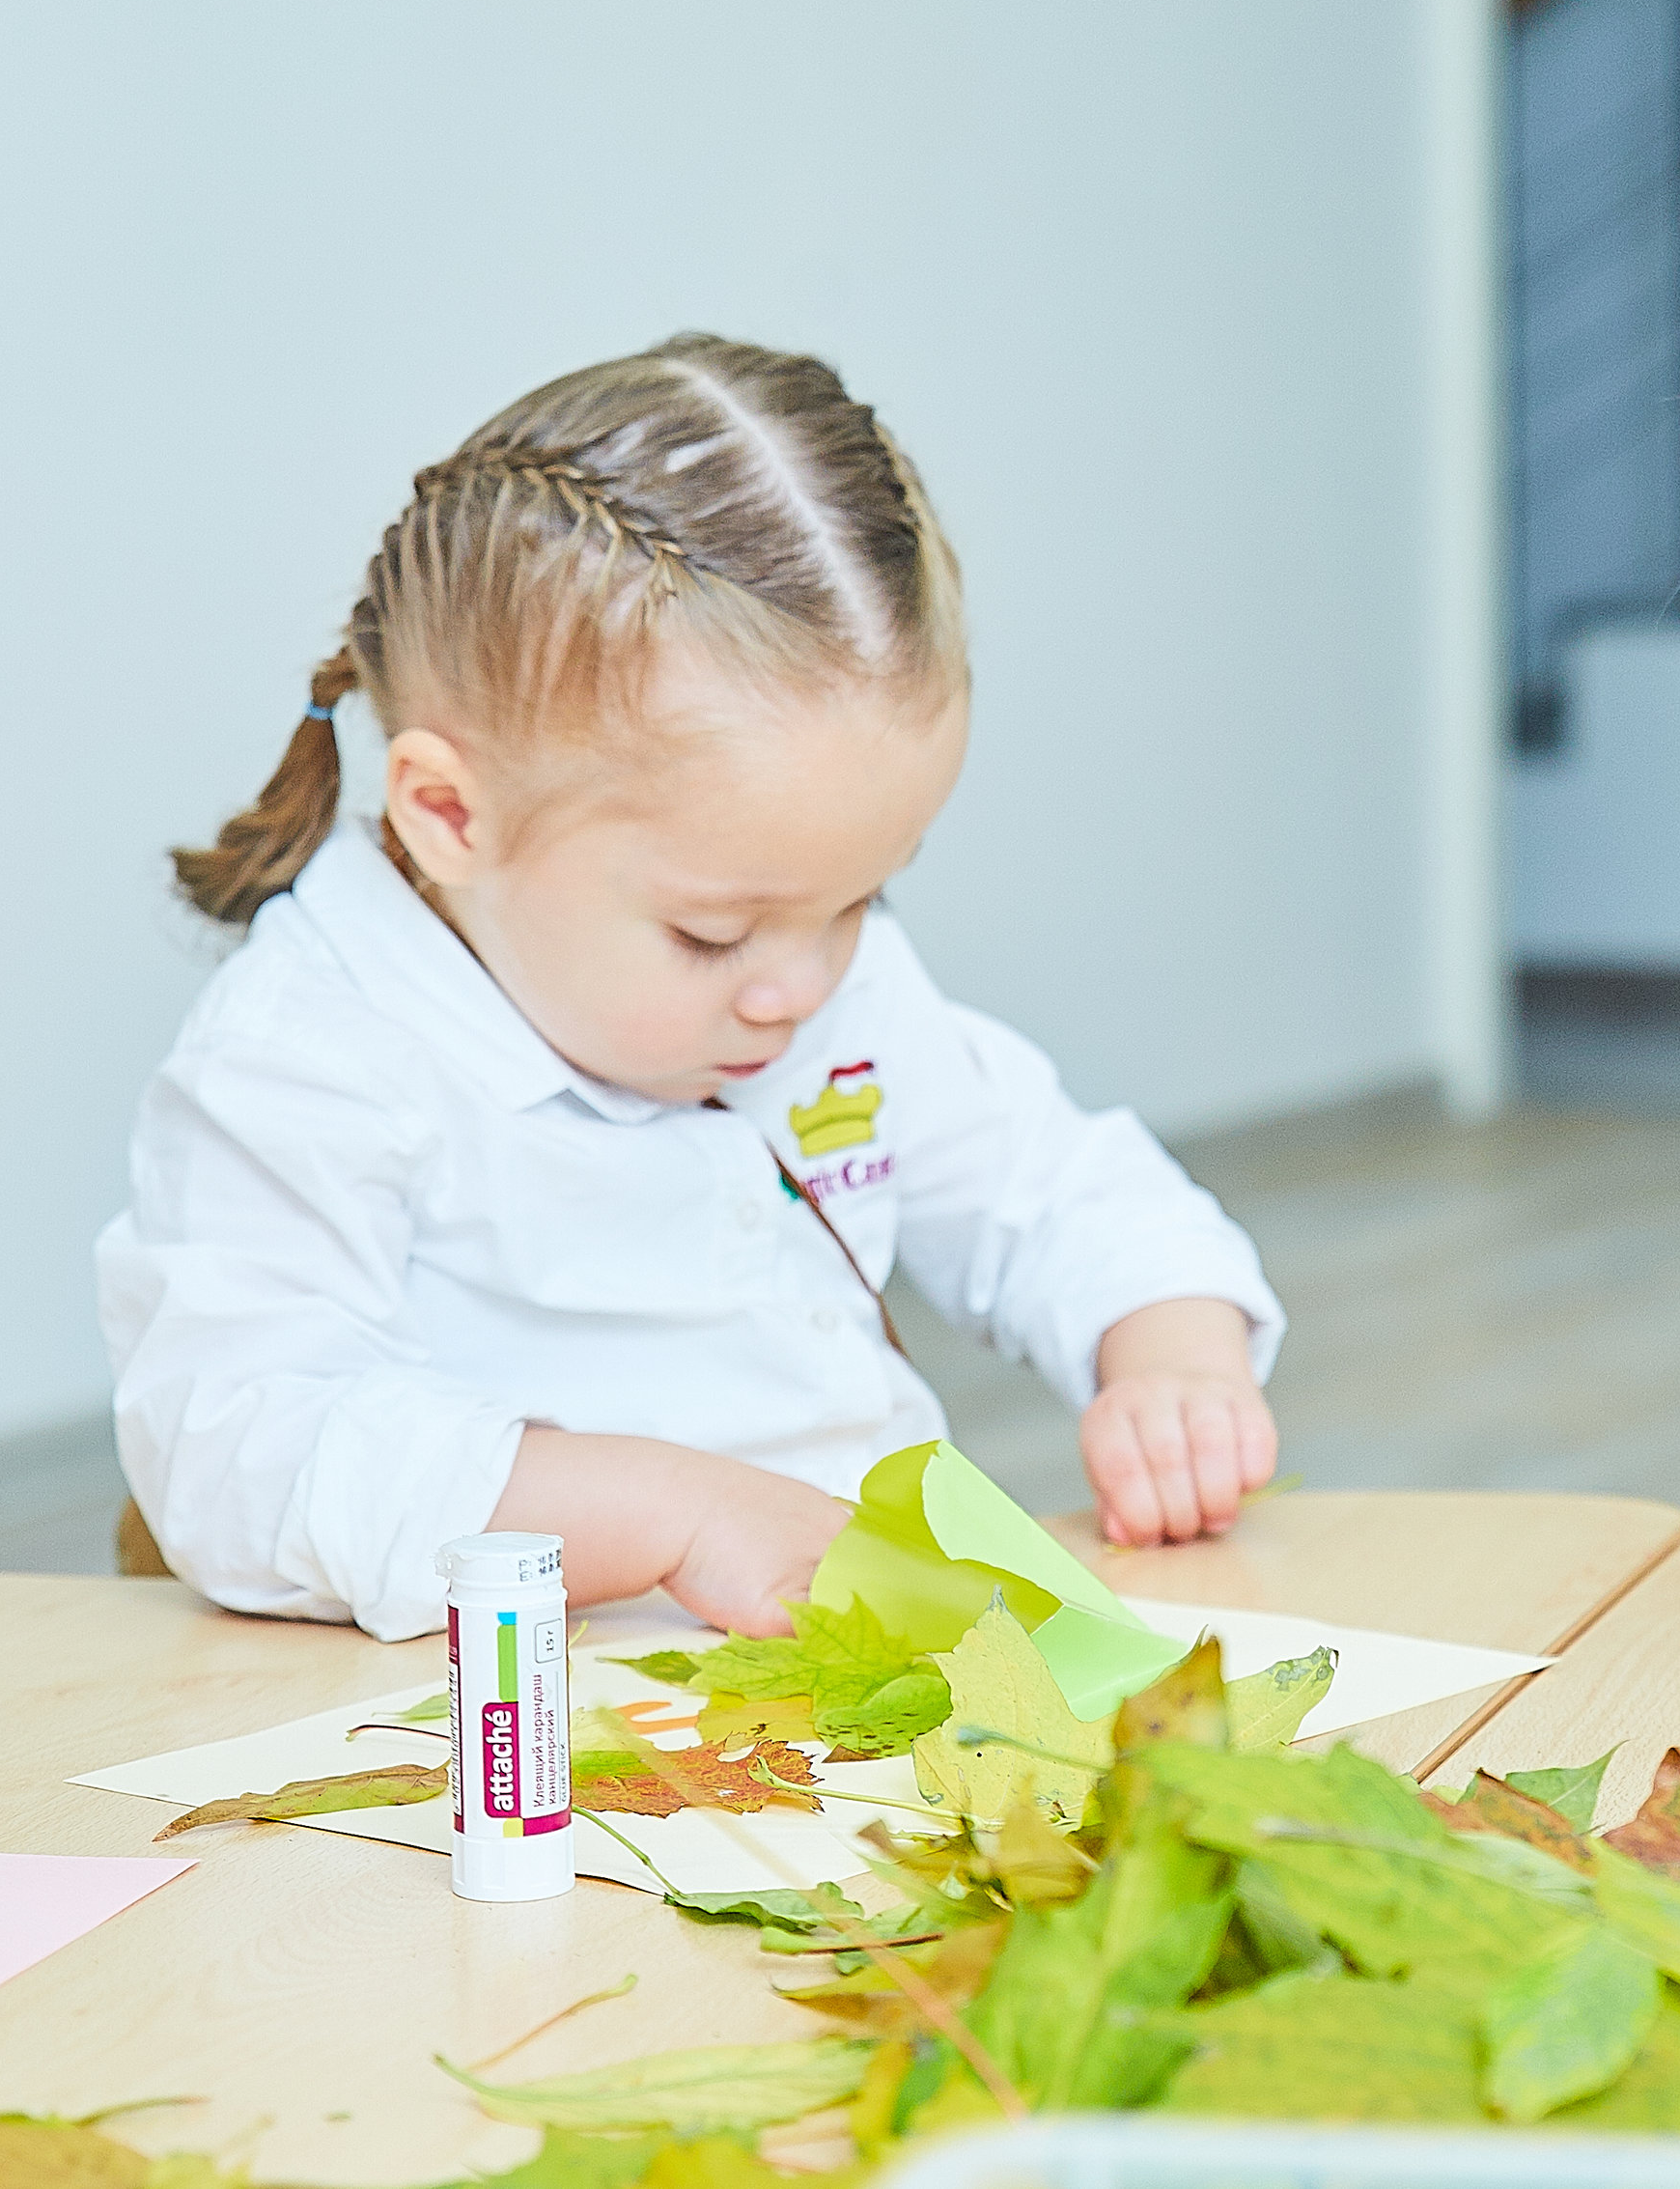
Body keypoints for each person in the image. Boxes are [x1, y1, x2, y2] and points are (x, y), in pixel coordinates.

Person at [100, 336, 1281, 1642]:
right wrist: (671, 1512)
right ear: (449, 814)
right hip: (502, 1755)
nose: (800, 985)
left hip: (861, 1692)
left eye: (860, 900)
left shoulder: (829, 985)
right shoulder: (316, 1052)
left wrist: (1172, 1354)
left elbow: (1057, 1187)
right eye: (713, 933)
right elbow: (236, 1450)